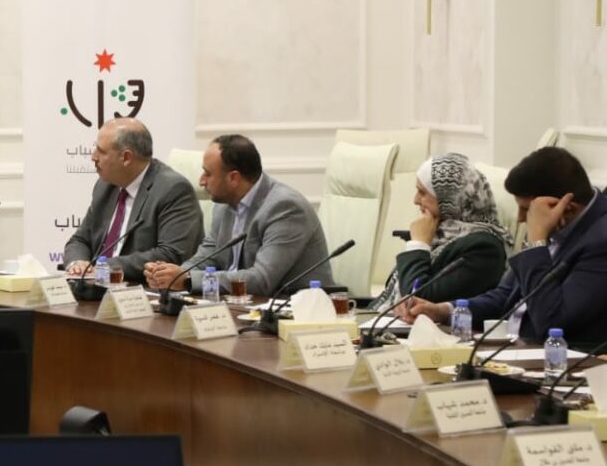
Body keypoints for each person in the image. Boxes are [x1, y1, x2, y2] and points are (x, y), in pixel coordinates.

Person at [402, 147, 607, 346]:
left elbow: (552, 321)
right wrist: (443, 311)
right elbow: (504, 297)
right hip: (508, 349)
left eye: (526, 210)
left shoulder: (600, 241)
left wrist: (537, 242)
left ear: (565, 208)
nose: (520, 219)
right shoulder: (553, 227)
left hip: (560, 360)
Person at [145, 133, 332, 296]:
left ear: (233, 178)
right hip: (241, 304)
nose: (201, 181)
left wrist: (187, 279)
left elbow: (261, 280)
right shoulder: (224, 205)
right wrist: (171, 274)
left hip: (293, 310)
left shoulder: (285, 208)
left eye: (207, 174)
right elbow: (208, 255)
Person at [63, 119, 203, 279]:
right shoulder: (106, 185)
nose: (93, 157)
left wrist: (104, 268)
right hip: (97, 285)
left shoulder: (172, 189)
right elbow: (80, 239)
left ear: (126, 157)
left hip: (142, 288)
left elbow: (170, 254)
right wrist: (78, 264)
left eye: (101, 151)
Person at [367, 153, 508, 312]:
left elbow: (415, 301)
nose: (415, 200)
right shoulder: (439, 235)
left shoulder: (484, 249)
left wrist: (418, 245)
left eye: (422, 192)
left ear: (449, 199)